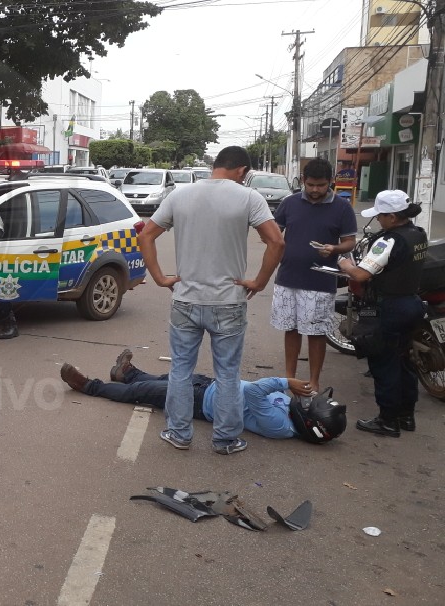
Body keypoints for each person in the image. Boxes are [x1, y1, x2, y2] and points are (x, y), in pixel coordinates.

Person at [138, 146, 285, 455]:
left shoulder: (179, 195)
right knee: (228, 374)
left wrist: (160, 278)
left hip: (186, 300)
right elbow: (276, 241)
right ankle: (226, 440)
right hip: (228, 302)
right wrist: (259, 281)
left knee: (180, 370)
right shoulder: (249, 198)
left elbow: (146, 236)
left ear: (217, 165)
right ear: (242, 171)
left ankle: (179, 434)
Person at [59, 349, 347, 444]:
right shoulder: (291, 414)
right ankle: (128, 372)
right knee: (163, 379)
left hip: (201, 403)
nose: (306, 398)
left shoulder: (279, 425)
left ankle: (88, 386)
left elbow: (256, 390)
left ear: (311, 424)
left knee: (142, 393)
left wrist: (286, 381)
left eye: (311, 404)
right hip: (212, 387)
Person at [336, 190, 427, 437]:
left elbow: (361, 275)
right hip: (412, 304)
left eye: (381, 216)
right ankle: (406, 416)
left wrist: (345, 264)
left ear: (394, 217)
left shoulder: (389, 240)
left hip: (388, 308)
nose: (378, 220)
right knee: (405, 361)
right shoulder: (417, 234)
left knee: (384, 363)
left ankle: (387, 420)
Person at [270, 158, 358, 393]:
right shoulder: (289, 203)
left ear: (330, 182)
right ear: (303, 182)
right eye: (310, 185)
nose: (315, 190)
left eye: (320, 185)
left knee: (316, 333)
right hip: (288, 277)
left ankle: (313, 382)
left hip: (320, 281)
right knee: (291, 329)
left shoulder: (342, 207)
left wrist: (334, 249)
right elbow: (275, 233)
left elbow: (350, 241)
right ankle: (289, 379)